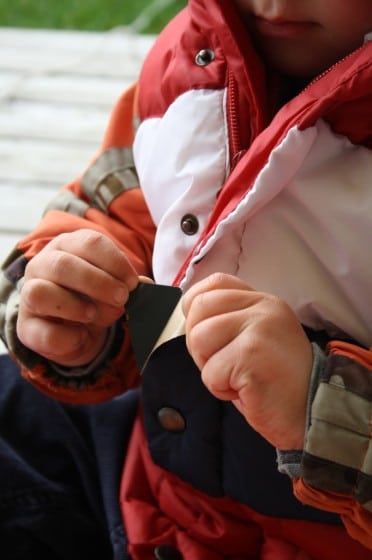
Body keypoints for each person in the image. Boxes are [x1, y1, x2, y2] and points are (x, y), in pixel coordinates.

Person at [0, 0, 371, 558]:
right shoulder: (191, 64)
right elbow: (113, 206)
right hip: (146, 486)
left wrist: (320, 410)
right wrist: (57, 302)